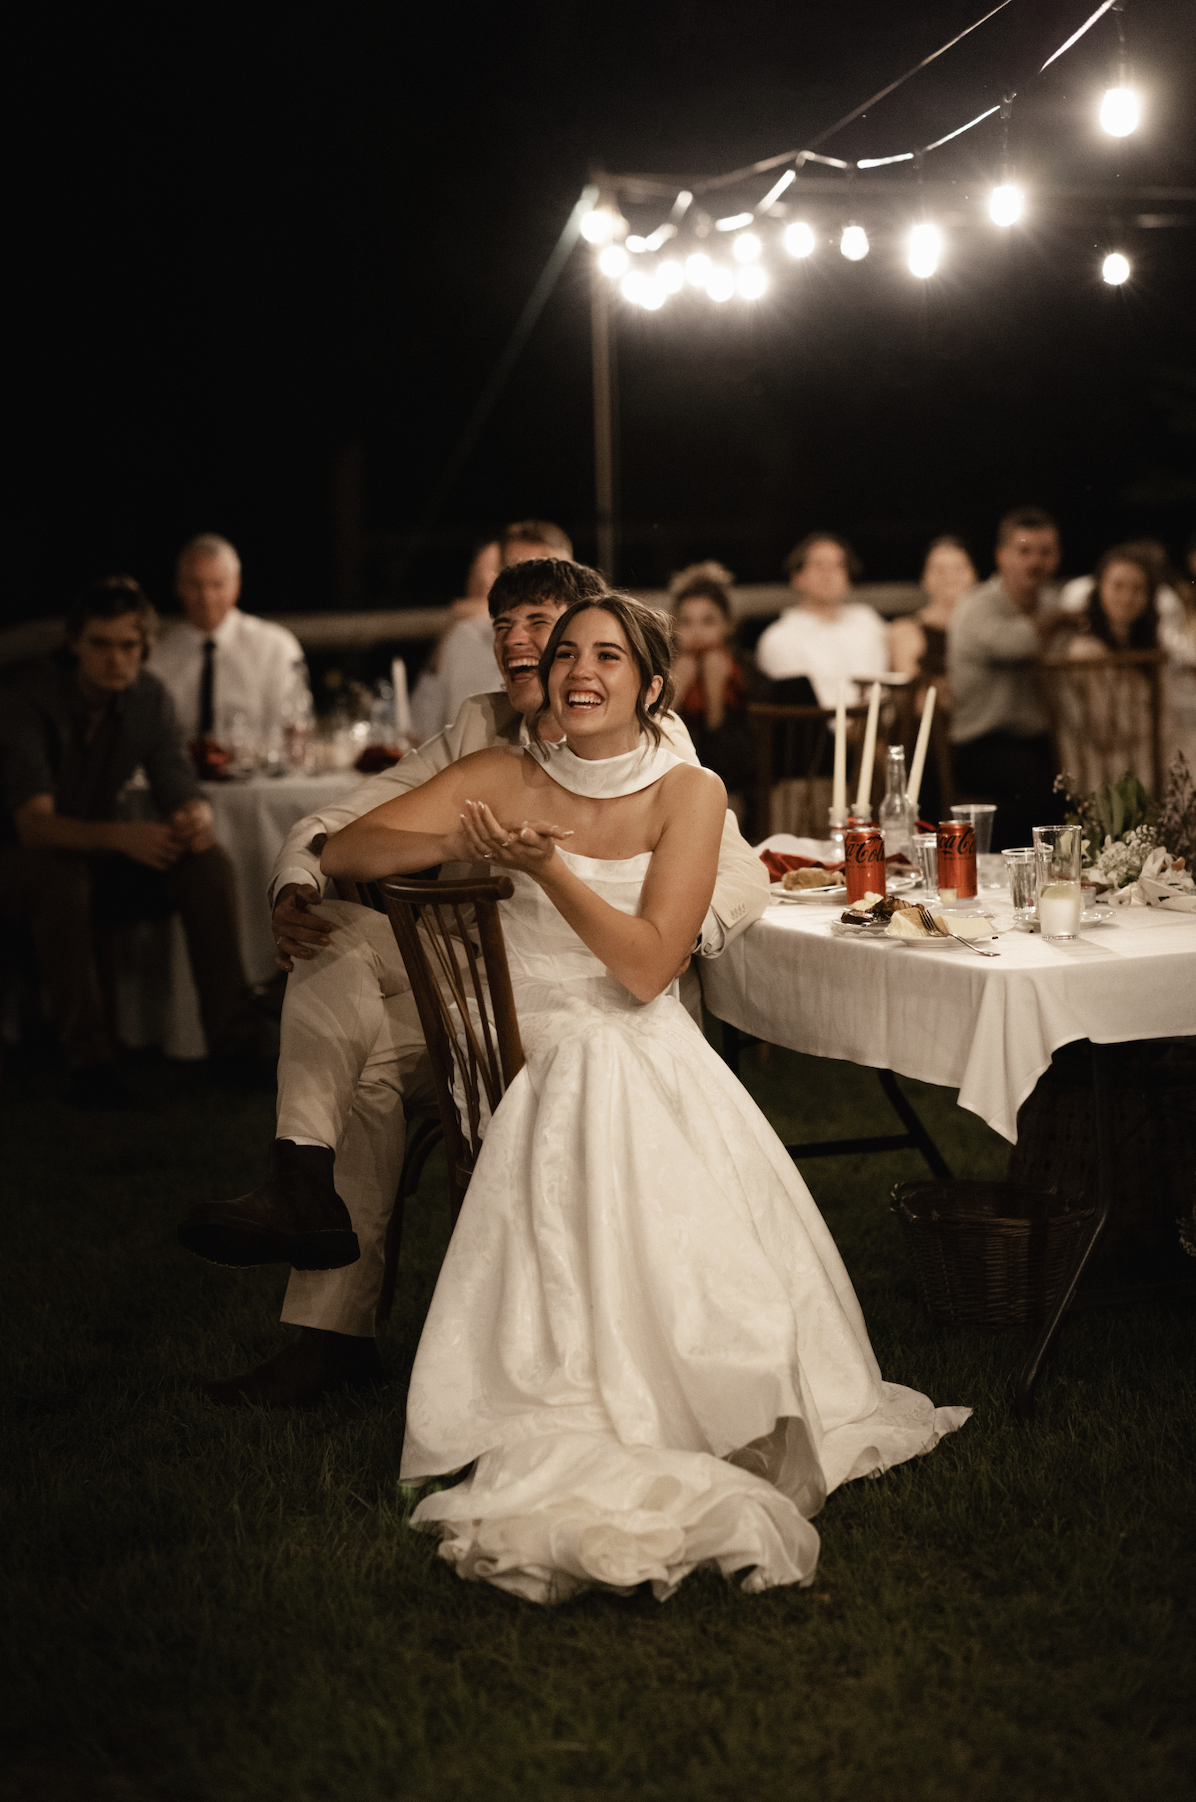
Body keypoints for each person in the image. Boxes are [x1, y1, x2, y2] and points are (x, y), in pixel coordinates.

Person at [318, 592, 968, 1603]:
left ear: (650, 685)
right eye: (565, 652)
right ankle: (600, 1383)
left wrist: (547, 866)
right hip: (521, 1045)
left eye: (607, 656)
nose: (579, 669)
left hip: (629, 1028)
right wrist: (469, 841)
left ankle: (684, 1383)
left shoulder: (688, 793)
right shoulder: (501, 771)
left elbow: (644, 969)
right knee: (585, 1069)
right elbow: (348, 852)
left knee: (604, 1064)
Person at [176, 558, 769, 1406]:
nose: (531, 648)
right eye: (511, 629)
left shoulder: (662, 752)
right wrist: (314, 875)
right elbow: (340, 825)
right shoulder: (482, 732)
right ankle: (302, 1196)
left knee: (375, 1068)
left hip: (591, 989)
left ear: (638, 676)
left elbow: (737, 872)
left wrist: (673, 930)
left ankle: (336, 1323)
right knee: (336, 957)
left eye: (549, 628)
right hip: (460, 976)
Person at [0, 577, 263, 1104]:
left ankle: (234, 1049)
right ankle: (92, 1064)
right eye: (100, 644)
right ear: (74, 643)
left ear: (144, 650)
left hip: (90, 859)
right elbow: (34, 826)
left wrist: (194, 815)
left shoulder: (147, 698)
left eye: (128, 646)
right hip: (19, 864)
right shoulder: (26, 698)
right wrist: (124, 838)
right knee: (60, 876)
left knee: (206, 864)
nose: (114, 659)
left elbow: (175, 780)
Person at [947, 507, 1063, 850]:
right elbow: (1020, 643)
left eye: (1045, 552)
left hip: (1039, 741)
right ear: (1002, 556)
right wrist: (1058, 621)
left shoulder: (1050, 604)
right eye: (1025, 551)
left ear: (1056, 558)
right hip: (981, 744)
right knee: (1042, 794)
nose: (1035, 562)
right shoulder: (977, 607)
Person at [148, 533, 309, 764]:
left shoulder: (275, 647)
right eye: (195, 585)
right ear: (178, 587)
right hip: (179, 778)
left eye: (217, 585)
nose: (206, 597)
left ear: (237, 587)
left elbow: (290, 729)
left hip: (256, 778)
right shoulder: (159, 655)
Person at [433, 520, 575, 733]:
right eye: (516, 571)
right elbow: (420, 728)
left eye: (543, 574)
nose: (527, 585)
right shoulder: (464, 637)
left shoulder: (587, 644)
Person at [755, 533, 888, 706]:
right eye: (819, 565)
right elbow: (801, 709)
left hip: (882, 729)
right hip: (822, 729)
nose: (828, 574)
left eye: (837, 566)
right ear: (797, 577)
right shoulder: (780, 638)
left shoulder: (867, 621)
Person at [668, 561, 755, 812]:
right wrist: (675, 692)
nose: (696, 632)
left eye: (708, 621)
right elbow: (647, 744)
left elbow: (737, 764)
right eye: (686, 622)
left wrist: (715, 695)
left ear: (728, 625)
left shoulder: (744, 673)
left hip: (732, 787)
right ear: (674, 627)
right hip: (671, 783)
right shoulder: (659, 673)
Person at [409, 541, 502, 745]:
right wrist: (446, 638)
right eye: (475, 575)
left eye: (495, 571)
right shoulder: (460, 637)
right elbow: (418, 728)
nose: (484, 580)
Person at [888, 535, 977, 712]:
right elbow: (913, 697)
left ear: (972, 575)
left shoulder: (986, 630)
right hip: (929, 728)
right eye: (939, 569)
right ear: (924, 577)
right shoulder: (906, 629)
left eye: (957, 568)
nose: (949, 576)